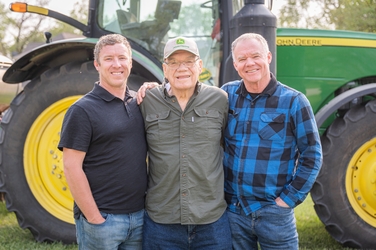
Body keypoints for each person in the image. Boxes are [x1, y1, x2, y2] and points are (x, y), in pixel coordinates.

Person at [222, 33, 322, 249]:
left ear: (268, 57)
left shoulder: (294, 102)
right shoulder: (225, 95)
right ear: (236, 65)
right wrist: (156, 87)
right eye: (242, 59)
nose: (249, 63)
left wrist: (286, 201)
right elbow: (189, 92)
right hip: (233, 213)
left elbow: (312, 156)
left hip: (273, 213)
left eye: (255, 56)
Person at [139, 36, 232, 249]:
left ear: (200, 66)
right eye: (174, 62)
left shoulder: (220, 100)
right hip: (162, 222)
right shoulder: (147, 101)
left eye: (189, 61)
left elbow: (229, 144)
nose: (182, 68)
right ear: (164, 68)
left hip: (211, 220)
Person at [58, 34, 147, 250]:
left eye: (122, 58)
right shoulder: (82, 110)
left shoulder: (140, 102)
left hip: (140, 218)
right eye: (108, 59)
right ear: (97, 64)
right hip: (104, 220)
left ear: (131, 62)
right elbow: (71, 166)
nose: (117, 65)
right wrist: (94, 218)